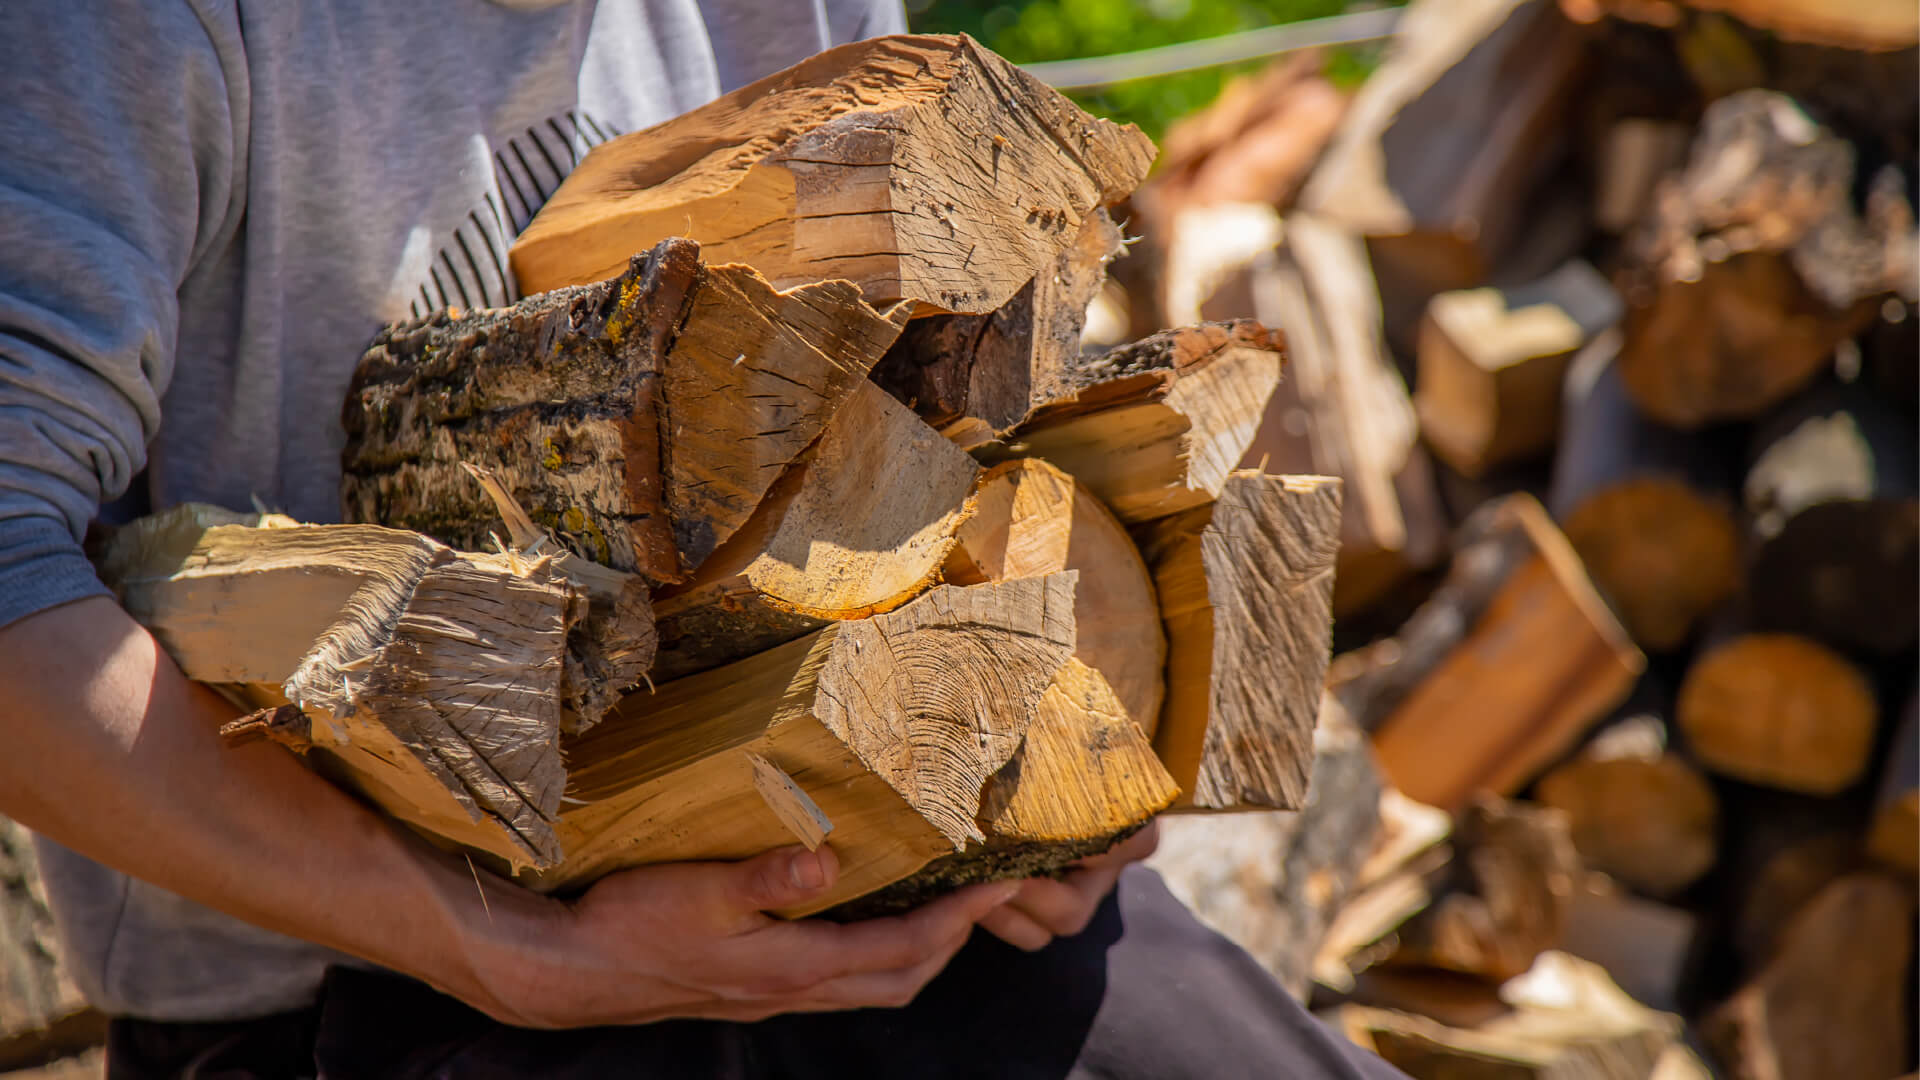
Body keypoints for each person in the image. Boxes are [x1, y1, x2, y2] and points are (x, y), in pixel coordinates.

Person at [0, 2, 1406, 1075]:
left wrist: (1058, 781)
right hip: (363, 987)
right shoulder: (124, 35)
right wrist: (506, 947)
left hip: (881, 897)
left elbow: (957, 415)